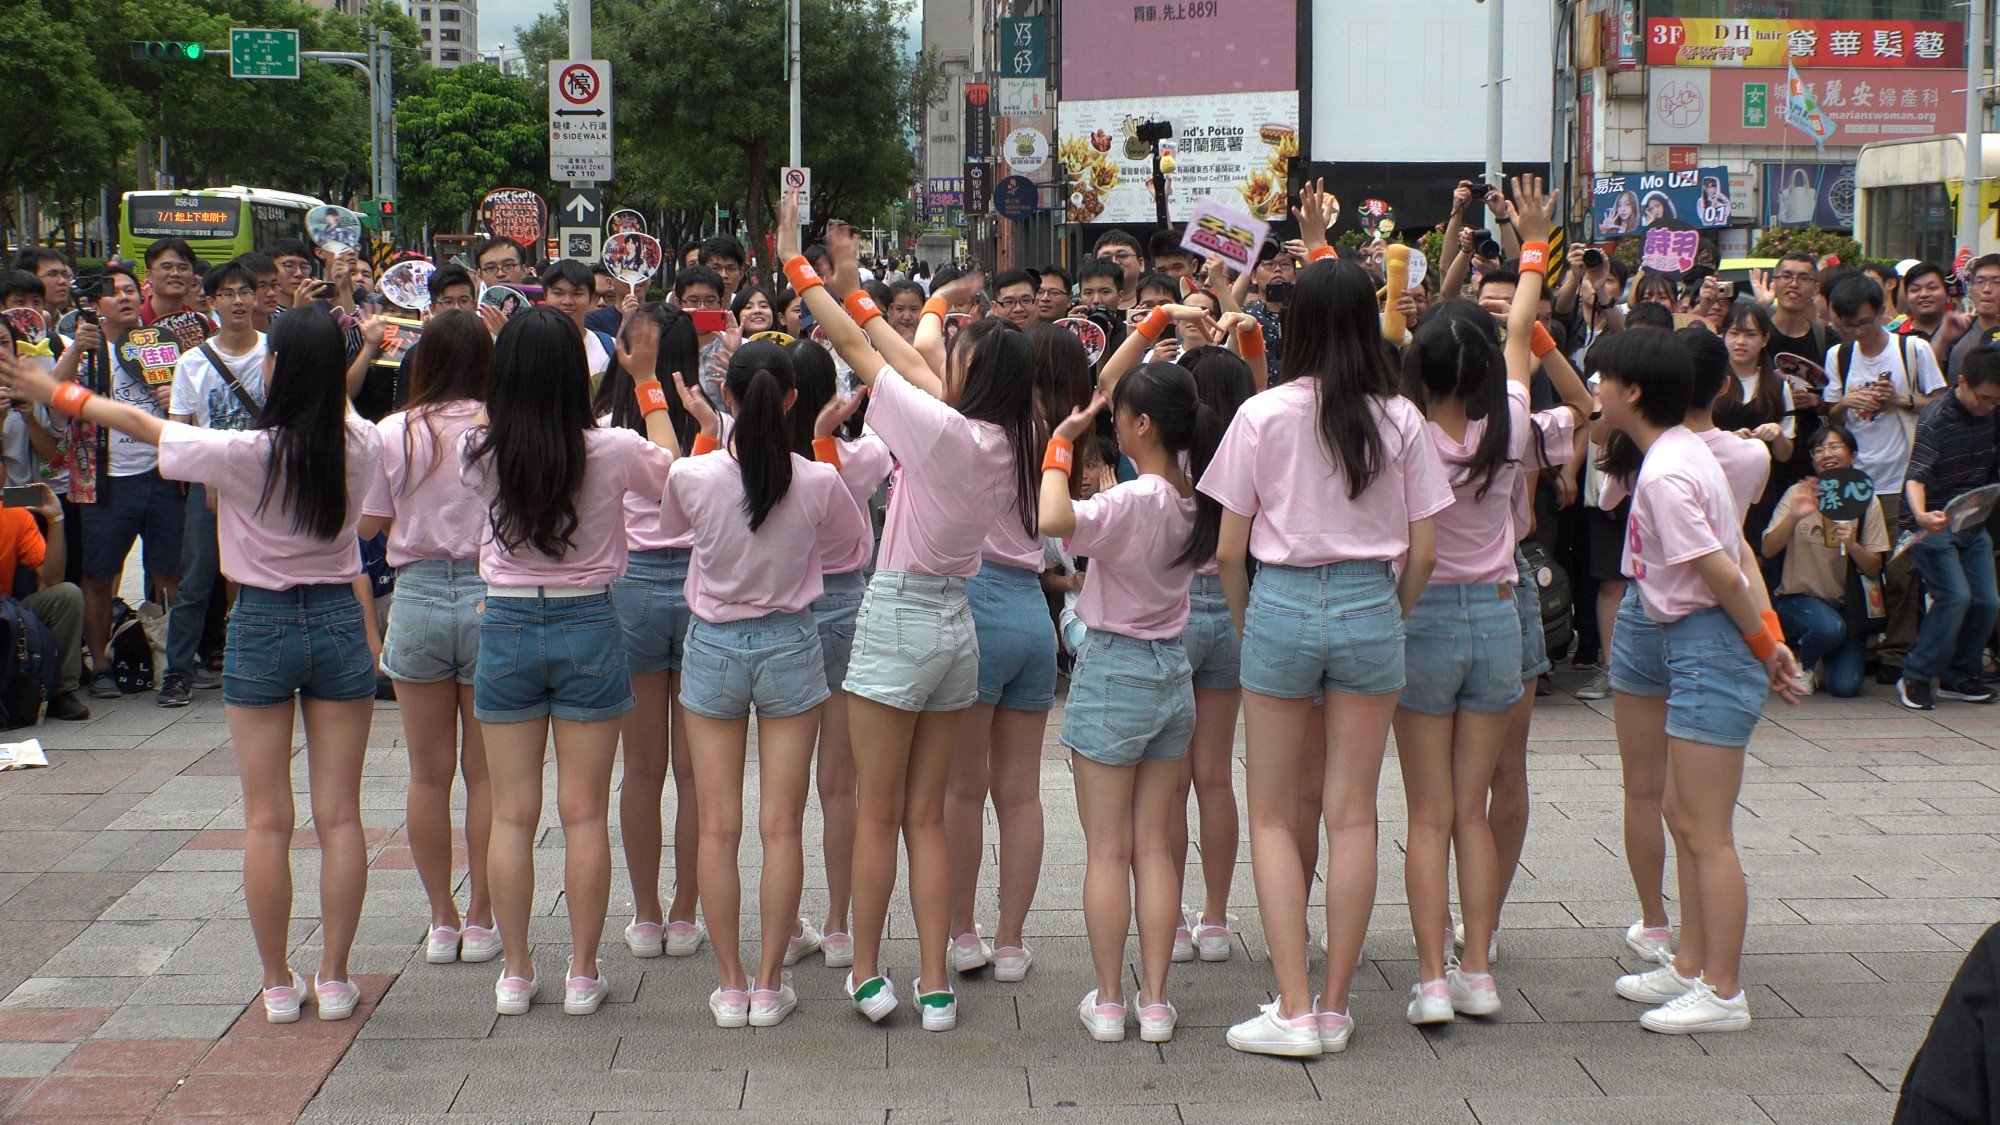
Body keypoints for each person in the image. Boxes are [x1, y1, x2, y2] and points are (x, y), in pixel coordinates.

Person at [7, 306, 386, 1021]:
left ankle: (278, 985)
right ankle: (333, 978)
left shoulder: (242, 452)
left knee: (266, 819)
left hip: (262, 625)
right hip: (339, 619)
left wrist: (55, 390)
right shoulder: (363, 443)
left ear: (274, 368)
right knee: (341, 817)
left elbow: (142, 425)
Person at [1201, 181, 1454, 1058]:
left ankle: (1295, 1004)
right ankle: (1338, 1004)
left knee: (1274, 813)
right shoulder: (1403, 418)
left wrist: (1249, 620)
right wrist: (1389, 611)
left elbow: (1229, 551)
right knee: (1354, 813)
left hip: (1279, 601)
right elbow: (1424, 551)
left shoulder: (1262, 412)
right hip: (1369, 605)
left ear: (1295, 325)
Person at [780, 193, 1037, 1031]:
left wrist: (797, 264)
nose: (944, 362)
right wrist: (854, 287)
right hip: (954, 626)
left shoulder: (943, 433)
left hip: (896, 619)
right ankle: (934, 983)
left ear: (972, 375)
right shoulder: (1005, 437)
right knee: (926, 815)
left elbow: (861, 351)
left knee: (878, 811)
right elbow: (899, 355)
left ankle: (864, 970)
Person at [1396, 177, 1591, 1024]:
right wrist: (1536, 246)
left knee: (1428, 813)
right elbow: (1521, 333)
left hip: (1423, 620)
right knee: (1473, 812)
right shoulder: (1512, 416)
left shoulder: (1397, 431)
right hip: (1499, 617)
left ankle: (1432, 979)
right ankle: (1479, 967)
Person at [465, 307, 679, 1018]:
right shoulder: (612, 446)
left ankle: (517, 970)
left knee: (513, 813)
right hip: (591, 617)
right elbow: (676, 477)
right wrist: (646, 384)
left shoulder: (479, 447)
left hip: (507, 619)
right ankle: (584, 972)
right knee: (585, 810)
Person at [1595, 326, 1800, 1035]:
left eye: (1605, 378)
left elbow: (1721, 568)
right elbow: (1732, 555)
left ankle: (1724, 988)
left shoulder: (1668, 470)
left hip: (1710, 645)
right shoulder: (1678, 453)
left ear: (1634, 392)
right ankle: (1689, 963)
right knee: (1686, 817)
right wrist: (1764, 640)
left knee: (1704, 829)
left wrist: (1764, 643)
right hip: (1701, 641)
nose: (1597, 389)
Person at [664, 339, 868, 1028]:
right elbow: (851, 547)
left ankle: (729, 985)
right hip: (790, 641)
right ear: (790, 398)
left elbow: (669, 531)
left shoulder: (693, 476)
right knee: (783, 825)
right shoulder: (816, 479)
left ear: (726, 397)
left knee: (717, 826)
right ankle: (770, 980)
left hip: (714, 645)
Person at [1039, 359, 1218, 1044]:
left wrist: (1061, 441)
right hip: (1171, 672)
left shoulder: (1134, 500)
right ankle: (1156, 1000)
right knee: (1155, 847)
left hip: (1114, 669)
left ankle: (1111, 999)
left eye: (1119, 417)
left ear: (1142, 425)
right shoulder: (1193, 497)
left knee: (1108, 850)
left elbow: (1055, 515)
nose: (1112, 425)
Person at [358, 310, 498, 966]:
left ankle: (441, 918)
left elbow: (367, 525)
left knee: (427, 772)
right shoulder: (497, 427)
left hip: (414, 598)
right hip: (489, 596)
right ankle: (483, 914)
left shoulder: (394, 431)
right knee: (487, 771)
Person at [596, 303, 708, 962]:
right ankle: (685, 908)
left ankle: (645, 913)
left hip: (629, 585)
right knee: (695, 771)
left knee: (640, 766)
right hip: (700, 586)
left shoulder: (604, 425)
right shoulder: (709, 417)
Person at [788, 339, 890, 970]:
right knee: (840, 781)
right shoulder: (865, 455)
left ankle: (796, 918)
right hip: (850, 604)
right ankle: (839, 923)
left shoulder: (765, 459)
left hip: (790, 607)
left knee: (786, 784)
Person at [48, 264, 183, 699]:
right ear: (96, 304)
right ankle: (101, 663)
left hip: (162, 472)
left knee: (168, 571)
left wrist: (175, 394)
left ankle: (172, 662)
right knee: (100, 574)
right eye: (113, 293)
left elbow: (191, 399)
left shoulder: (160, 342)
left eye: (130, 290)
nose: (124, 298)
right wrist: (73, 355)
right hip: (104, 479)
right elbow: (53, 405)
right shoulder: (79, 347)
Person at [1826, 272, 1945, 681]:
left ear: (1881, 311)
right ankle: (1869, 643)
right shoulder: (1839, 356)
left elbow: (1940, 405)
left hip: (1902, 477)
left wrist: (1901, 399)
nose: (1858, 331)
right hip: (1855, 479)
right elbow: (1830, 416)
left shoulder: (1912, 349)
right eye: (1848, 325)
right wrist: (1847, 402)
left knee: (1901, 571)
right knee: (1855, 566)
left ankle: (1898, 652)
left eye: (1864, 321)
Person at [160, 261, 268, 708]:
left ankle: (258, 662)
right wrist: (208, 475)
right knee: (196, 579)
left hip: (266, 486)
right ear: (212, 302)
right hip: (210, 488)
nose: (238, 301)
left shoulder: (274, 353)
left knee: (261, 578)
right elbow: (179, 429)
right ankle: (177, 671)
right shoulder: (192, 362)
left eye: (245, 292)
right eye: (228, 293)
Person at [1895, 348, 2000, 710]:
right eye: (1984, 399)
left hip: (1972, 518)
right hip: (1932, 523)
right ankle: (1915, 677)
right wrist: (1922, 515)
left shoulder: (1995, 412)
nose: (1989, 407)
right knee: (1955, 596)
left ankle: (1959, 675)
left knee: (1988, 601)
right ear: (1962, 383)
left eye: (1996, 401)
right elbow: (1915, 477)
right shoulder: (1936, 418)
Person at [1761, 425, 1888, 698]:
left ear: (1853, 456)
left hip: (1847, 606)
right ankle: (1804, 662)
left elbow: (1873, 567)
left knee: (1846, 686)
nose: (1826, 454)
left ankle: (1821, 653)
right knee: (1828, 628)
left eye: (1834, 447)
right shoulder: (1798, 493)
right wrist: (1794, 516)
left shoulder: (1867, 501)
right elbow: (1768, 549)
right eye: (1819, 450)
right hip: (1798, 599)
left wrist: (1852, 544)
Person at [541, 260, 615, 384]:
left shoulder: (610, 347)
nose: (567, 301)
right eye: (558, 293)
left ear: (591, 298)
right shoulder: (530, 345)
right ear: (545, 297)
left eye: (577, 293)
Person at [1898, 262, 1970, 365]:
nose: (1924, 294)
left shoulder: (1964, 329)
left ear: (1948, 295)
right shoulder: (1894, 337)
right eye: (1915, 290)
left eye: (1933, 288)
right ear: (1907, 297)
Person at [1946, 255, 2000, 379]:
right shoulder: (1958, 331)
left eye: (1997, 282)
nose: (1986, 289)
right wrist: (1943, 339)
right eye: (1980, 282)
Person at [139, 238, 198, 325]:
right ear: (149, 275)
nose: (175, 273)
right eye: (166, 267)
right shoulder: (134, 323)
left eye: (183, 268)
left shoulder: (203, 325)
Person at [1093, 230, 1145, 299]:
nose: (1114, 262)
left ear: (1140, 264)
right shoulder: (1086, 306)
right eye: (1105, 258)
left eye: (1122, 256)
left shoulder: (1157, 303)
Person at [699, 236, 749, 301]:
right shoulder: (688, 308)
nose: (723, 275)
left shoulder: (745, 308)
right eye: (715, 268)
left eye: (731, 268)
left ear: (741, 273)